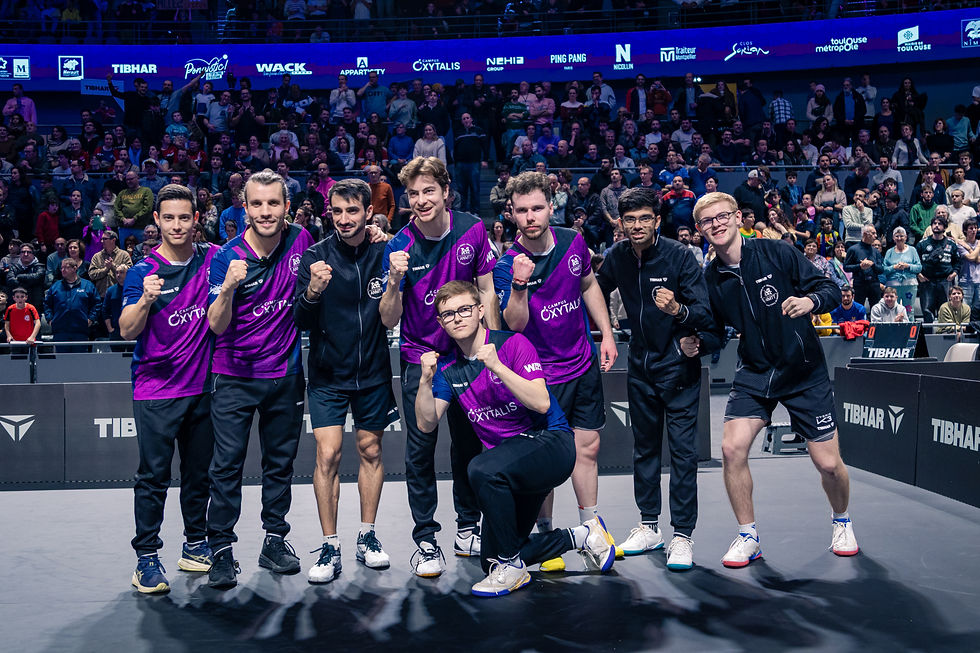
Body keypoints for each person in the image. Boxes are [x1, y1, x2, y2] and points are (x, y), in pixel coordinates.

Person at [415, 281, 615, 597]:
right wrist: (425, 382)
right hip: (511, 464)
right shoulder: (448, 370)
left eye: (464, 309)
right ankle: (580, 537)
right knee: (489, 560)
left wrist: (496, 366)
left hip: (550, 444)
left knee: (480, 469)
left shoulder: (512, 345)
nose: (458, 318)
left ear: (480, 311)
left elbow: (542, 402)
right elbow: (426, 424)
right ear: (440, 322)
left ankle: (512, 567)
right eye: (448, 314)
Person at [694, 191, 858, 566]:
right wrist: (695, 341)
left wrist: (808, 303)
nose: (716, 225)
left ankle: (842, 520)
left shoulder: (777, 252)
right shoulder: (711, 278)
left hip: (803, 369)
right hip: (755, 372)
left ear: (738, 218)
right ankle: (748, 535)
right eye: (707, 221)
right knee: (732, 449)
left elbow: (830, 288)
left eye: (722, 217)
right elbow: (716, 334)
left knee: (829, 464)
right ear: (701, 230)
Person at [491, 172, 619, 572]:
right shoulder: (507, 263)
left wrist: (607, 334)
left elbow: (587, 285)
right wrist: (519, 284)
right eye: (522, 210)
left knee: (588, 449)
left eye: (537, 208)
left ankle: (591, 530)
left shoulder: (572, 242)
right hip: (541, 378)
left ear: (551, 206)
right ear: (512, 213)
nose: (530, 217)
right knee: (546, 463)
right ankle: (546, 536)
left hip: (582, 362)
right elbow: (514, 323)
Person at [380, 156, 500, 577]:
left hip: (467, 355)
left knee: (470, 445)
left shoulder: (472, 228)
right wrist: (394, 280)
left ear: (446, 191)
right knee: (420, 450)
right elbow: (389, 318)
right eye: (412, 194)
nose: (420, 200)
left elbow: (487, 291)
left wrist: (493, 349)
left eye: (428, 191)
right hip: (421, 359)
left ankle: (468, 527)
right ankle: (426, 538)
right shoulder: (399, 245)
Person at [596, 186, 717, 570]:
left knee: (682, 455)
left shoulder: (680, 256)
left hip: (678, 369)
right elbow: (593, 291)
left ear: (657, 221)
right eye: (629, 220)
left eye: (644, 218)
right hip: (640, 367)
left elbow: (703, 313)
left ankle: (682, 535)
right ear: (621, 223)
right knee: (644, 450)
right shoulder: (616, 256)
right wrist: (606, 329)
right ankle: (649, 526)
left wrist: (679, 312)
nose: (637, 226)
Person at [205, 170, 315, 590]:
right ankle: (220, 550)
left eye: (274, 203)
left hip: (285, 375)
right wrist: (228, 288)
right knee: (226, 467)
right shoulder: (225, 256)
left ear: (287, 206)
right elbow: (215, 325)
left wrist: (377, 238)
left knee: (279, 464)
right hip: (233, 377)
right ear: (244, 207)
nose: (265, 211)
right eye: (257, 204)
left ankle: (274, 541)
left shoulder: (301, 240)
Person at [293, 179, 400, 584]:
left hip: (372, 372)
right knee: (328, 455)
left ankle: (367, 536)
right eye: (336, 212)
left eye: (352, 211)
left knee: (371, 450)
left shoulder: (383, 251)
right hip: (327, 374)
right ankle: (329, 543)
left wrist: (387, 242)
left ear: (368, 212)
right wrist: (314, 292)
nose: (343, 219)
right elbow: (300, 321)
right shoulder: (315, 257)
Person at [118, 185, 217, 594]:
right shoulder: (143, 271)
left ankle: (195, 546)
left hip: (203, 391)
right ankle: (146, 558)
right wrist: (145, 300)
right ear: (156, 220)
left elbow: (262, 238)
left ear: (196, 219)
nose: (177, 225)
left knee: (198, 476)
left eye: (184, 217)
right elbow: (126, 330)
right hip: (156, 391)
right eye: (169, 218)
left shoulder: (214, 258)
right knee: (154, 477)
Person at [44, 257, 99, 351]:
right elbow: (47, 304)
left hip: (80, 330)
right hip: (60, 330)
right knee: (61, 361)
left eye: (66, 267)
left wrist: (91, 319)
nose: (63, 270)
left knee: (80, 362)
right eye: (61, 268)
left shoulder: (87, 285)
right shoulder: (56, 286)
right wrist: (50, 319)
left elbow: (96, 304)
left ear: (75, 268)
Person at [916, 215, 960, 323]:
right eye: (934, 224)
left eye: (939, 224)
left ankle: (945, 336)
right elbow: (916, 261)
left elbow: (958, 261)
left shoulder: (951, 244)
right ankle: (928, 337)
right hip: (927, 281)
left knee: (945, 310)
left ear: (944, 228)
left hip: (945, 280)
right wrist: (919, 274)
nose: (936, 226)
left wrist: (954, 273)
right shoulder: (922, 244)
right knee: (927, 310)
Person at [883, 227, 921, 317]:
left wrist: (907, 266)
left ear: (906, 237)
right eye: (897, 236)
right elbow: (884, 269)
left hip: (909, 284)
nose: (899, 238)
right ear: (893, 238)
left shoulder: (912, 250)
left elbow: (919, 267)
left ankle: (910, 329)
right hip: (893, 285)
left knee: (909, 310)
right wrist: (894, 267)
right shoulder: (889, 252)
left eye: (901, 236)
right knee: (892, 309)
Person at [844, 225, 884, 309]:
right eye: (873, 233)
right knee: (858, 309)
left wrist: (872, 265)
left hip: (874, 283)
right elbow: (846, 267)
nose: (876, 236)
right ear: (865, 234)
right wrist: (860, 266)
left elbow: (881, 269)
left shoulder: (876, 251)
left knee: (876, 309)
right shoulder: (853, 249)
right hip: (860, 283)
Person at [87, 231, 132, 297]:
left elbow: (129, 273)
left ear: (113, 240)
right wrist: (105, 269)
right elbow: (92, 274)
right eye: (101, 239)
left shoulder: (124, 255)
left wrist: (113, 266)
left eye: (105, 239)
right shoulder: (97, 256)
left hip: (120, 294)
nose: (102, 241)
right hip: (101, 295)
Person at [956, 219, 980, 319]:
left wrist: (971, 248)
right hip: (965, 281)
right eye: (971, 228)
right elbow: (971, 258)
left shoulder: (978, 243)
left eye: (975, 228)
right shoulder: (960, 244)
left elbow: (978, 260)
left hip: (979, 281)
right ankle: (966, 331)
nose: (974, 230)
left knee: (978, 309)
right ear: (965, 230)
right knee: (966, 309)